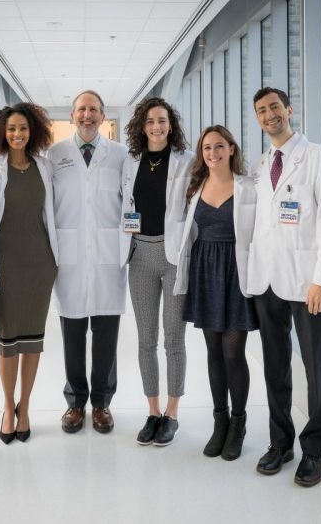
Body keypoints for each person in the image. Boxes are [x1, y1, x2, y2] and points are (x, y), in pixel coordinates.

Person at [248, 87, 321, 487]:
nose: (269, 115)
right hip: (269, 282)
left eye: (274, 107)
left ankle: (315, 450)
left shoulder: (319, 157)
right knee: (274, 368)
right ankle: (281, 442)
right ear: (257, 119)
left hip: (308, 285)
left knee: (315, 368)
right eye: (261, 111)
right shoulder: (260, 165)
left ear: (289, 109)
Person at [175, 125, 258, 460]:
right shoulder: (195, 187)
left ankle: (238, 425)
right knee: (212, 350)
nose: (213, 153)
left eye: (219, 146)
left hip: (236, 271)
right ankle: (219, 422)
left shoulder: (248, 187)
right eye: (207, 148)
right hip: (205, 269)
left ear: (232, 149)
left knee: (233, 351)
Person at [47, 90, 128, 434]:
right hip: (71, 257)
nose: (87, 115)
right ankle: (75, 402)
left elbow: (130, 202)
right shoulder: (55, 155)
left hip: (109, 255)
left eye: (94, 109)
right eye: (81, 109)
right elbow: (47, 206)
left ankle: (103, 403)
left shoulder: (122, 155)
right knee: (73, 334)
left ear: (103, 115)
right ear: (71, 115)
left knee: (107, 335)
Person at [120, 97, 194, 446]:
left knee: (173, 339)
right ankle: (152, 411)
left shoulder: (187, 162)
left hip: (174, 255)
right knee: (146, 340)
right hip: (140, 256)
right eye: (150, 121)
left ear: (171, 124)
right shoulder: (130, 161)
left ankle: (172, 412)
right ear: (142, 125)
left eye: (162, 120)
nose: (156, 127)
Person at [0, 103, 58, 444]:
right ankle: (5, 405)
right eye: (11, 128)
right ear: (2, 132)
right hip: (5, 263)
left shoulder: (44, 167)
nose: (17, 134)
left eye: (23, 128)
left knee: (33, 342)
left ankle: (24, 407)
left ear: (33, 131)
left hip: (40, 263)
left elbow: (51, 213)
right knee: (8, 341)